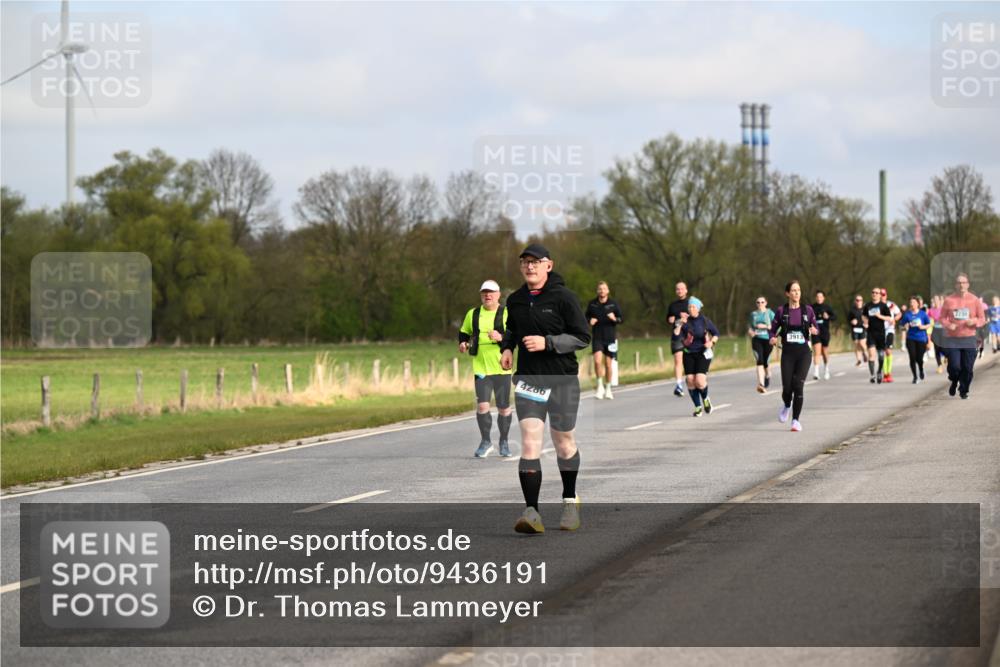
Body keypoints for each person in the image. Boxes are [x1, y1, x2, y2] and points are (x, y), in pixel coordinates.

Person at [500, 244, 590, 534]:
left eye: (536, 262)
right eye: (525, 262)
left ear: (548, 266)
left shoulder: (564, 298)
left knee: (563, 442)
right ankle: (532, 512)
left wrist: (548, 343)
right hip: (529, 379)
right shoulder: (514, 300)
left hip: (562, 380)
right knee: (530, 441)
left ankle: (569, 500)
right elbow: (512, 329)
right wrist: (507, 348)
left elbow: (582, 337)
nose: (530, 267)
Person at [458, 280, 513, 458]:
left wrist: (501, 337)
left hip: (501, 368)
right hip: (481, 368)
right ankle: (485, 441)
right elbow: (464, 332)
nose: (487, 296)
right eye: (484, 293)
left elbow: (514, 338)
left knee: (504, 407)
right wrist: (463, 343)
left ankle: (504, 441)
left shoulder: (506, 313)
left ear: (498, 295)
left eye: (491, 293)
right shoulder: (473, 314)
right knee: (482, 406)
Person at [769, 280, 819, 432]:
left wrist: (815, 330)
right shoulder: (781, 311)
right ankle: (786, 405)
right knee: (787, 389)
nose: (797, 293)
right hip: (788, 354)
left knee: (798, 385)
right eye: (793, 290)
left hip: (804, 353)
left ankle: (796, 420)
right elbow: (772, 330)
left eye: (798, 290)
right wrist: (772, 337)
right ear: (787, 293)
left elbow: (816, 327)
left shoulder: (808, 310)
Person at [939, 273, 986, 399]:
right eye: (959, 282)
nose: (961, 285)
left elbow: (982, 319)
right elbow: (942, 318)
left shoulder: (975, 300)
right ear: (955, 285)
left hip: (969, 338)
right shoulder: (949, 300)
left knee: (968, 368)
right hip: (953, 339)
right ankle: (954, 380)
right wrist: (949, 325)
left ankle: (964, 390)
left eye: (964, 282)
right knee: (954, 367)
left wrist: (974, 321)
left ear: (968, 284)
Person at [674, 297, 720, 416]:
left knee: (699, 380)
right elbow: (675, 333)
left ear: (698, 308)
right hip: (688, 353)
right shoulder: (684, 320)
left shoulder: (705, 321)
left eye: (693, 307)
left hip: (702, 353)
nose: (691, 309)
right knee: (690, 380)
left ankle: (705, 399)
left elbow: (716, 333)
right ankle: (698, 407)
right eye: (689, 307)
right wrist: (680, 322)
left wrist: (712, 342)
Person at [585, 281, 624, 400]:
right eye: (600, 289)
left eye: (604, 289)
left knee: (608, 364)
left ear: (608, 291)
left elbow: (621, 319)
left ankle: (608, 389)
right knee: (597, 362)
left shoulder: (613, 304)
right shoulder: (592, 304)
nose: (602, 291)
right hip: (597, 338)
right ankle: (600, 386)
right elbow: (585, 317)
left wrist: (614, 319)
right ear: (597, 291)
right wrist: (589, 321)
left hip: (610, 339)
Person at [863, 287, 894, 384]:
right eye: (873, 292)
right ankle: (872, 375)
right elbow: (864, 315)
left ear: (880, 295)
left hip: (880, 333)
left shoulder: (883, 306)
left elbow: (889, 318)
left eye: (877, 293)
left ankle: (879, 371)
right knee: (871, 354)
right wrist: (865, 322)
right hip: (871, 333)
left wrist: (880, 316)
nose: (874, 294)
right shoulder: (867, 305)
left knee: (881, 355)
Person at [666, 282, 690, 397]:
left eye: (682, 289)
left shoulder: (691, 304)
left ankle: (692, 381)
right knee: (678, 359)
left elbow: (697, 317)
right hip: (677, 334)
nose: (680, 291)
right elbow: (669, 319)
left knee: (689, 360)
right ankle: (679, 385)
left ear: (686, 290)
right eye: (677, 289)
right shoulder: (673, 305)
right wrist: (671, 319)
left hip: (690, 334)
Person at [900, 295, 932, 383]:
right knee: (912, 358)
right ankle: (915, 376)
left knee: (919, 358)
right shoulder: (907, 315)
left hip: (921, 338)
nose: (912, 304)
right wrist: (905, 326)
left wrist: (922, 327)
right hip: (911, 338)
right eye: (911, 302)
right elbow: (902, 325)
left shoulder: (922, 314)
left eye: (914, 302)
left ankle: (921, 369)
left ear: (918, 304)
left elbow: (929, 324)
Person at [747, 296, 776, 393]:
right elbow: (750, 327)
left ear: (766, 303)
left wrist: (765, 326)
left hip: (768, 340)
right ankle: (761, 384)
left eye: (762, 302)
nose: (760, 304)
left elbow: (775, 326)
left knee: (766, 362)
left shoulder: (770, 313)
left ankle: (767, 375)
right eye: (758, 302)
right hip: (757, 340)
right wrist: (751, 332)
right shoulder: (753, 314)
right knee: (760, 360)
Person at [810, 290, 837, 380]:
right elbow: (807, 318)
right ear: (815, 298)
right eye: (817, 297)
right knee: (817, 351)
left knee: (824, 352)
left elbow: (834, 317)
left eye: (821, 297)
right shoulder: (812, 307)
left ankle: (826, 369)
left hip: (825, 332)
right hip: (815, 332)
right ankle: (816, 372)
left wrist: (828, 317)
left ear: (823, 298)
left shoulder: (827, 307)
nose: (819, 298)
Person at [881, 288, 902, 383]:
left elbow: (899, 314)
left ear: (886, 295)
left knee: (888, 351)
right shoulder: (875, 306)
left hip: (889, 330)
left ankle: (888, 373)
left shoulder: (891, 305)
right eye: (880, 294)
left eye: (883, 295)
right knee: (882, 352)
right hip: (879, 331)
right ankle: (884, 373)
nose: (882, 296)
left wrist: (895, 319)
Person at [848, 295, 869, 367]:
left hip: (863, 328)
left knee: (862, 343)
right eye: (857, 300)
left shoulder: (865, 309)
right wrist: (852, 321)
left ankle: (864, 353)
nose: (858, 301)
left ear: (862, 301)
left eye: (860, 300)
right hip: (855, 329)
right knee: (856, 344)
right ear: (855, 301)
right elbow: (848, 319)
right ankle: (859, 360)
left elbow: (869, 318)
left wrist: (867, 324)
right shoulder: (852, 310)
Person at [928, 294, 947, 373]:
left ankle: (946, 357)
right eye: (934, 300)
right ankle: (939, 365)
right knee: (937, 348)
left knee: (944, 347)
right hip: (935, 330)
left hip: (943, 330)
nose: (936, 301)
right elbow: (927, 320)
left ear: (940, 301)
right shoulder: (931, 310)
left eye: (937, 300)